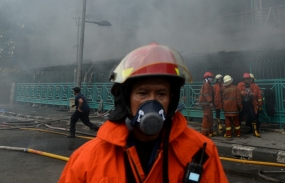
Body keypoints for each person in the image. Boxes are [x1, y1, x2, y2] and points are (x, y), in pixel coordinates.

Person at [59, 43, 228, 182]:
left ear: (171, 100)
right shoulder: (87, 159)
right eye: (143, 93)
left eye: (161, 94)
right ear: (125, 100)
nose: (152, 102)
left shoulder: (201, 152)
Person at [237, 73, 263, 137]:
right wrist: (245, 93)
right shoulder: (240, 85)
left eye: (249, 79)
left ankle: (255, 131)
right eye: (247, 79)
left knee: (253, 117)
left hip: (250, 103)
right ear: (244, 79)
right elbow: (238, 94)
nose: (248, 80)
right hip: (242, 104)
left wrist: (259, 105)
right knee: (239, 117)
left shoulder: (254, 86)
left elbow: (258, 95)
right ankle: (237, 131)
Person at [198, 71, 214, 137]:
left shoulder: (208, 84)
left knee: (209, 117)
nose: (212, 79)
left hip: (206, 103)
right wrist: (210, 102)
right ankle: (205, 132)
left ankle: (209, 131)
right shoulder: (207, 84)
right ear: (207, 78)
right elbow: (206, 94)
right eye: (210, 78)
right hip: (206, 103)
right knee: (207, 117)